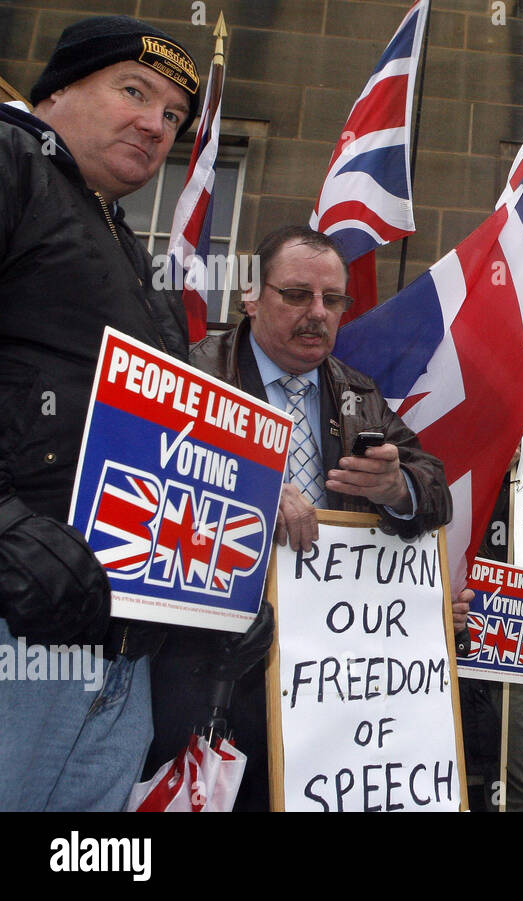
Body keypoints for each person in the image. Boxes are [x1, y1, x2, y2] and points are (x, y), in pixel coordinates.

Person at [147, 225, 454, 810]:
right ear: (251, 296)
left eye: (332, 300)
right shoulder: (191, 374)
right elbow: (149, 482)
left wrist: (399, 485)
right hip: (208, 661)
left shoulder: (358, 393)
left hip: (326, 675)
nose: (317, 314)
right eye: (296, 295)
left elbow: (436, 490)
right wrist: (252, 486)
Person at [0, 15, 200, 811]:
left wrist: (215, 588)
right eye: (133, 90)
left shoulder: (125, 245)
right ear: (55, 93)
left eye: (175, 117)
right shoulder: (11, 161)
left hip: (124, 644)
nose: (156, 125)